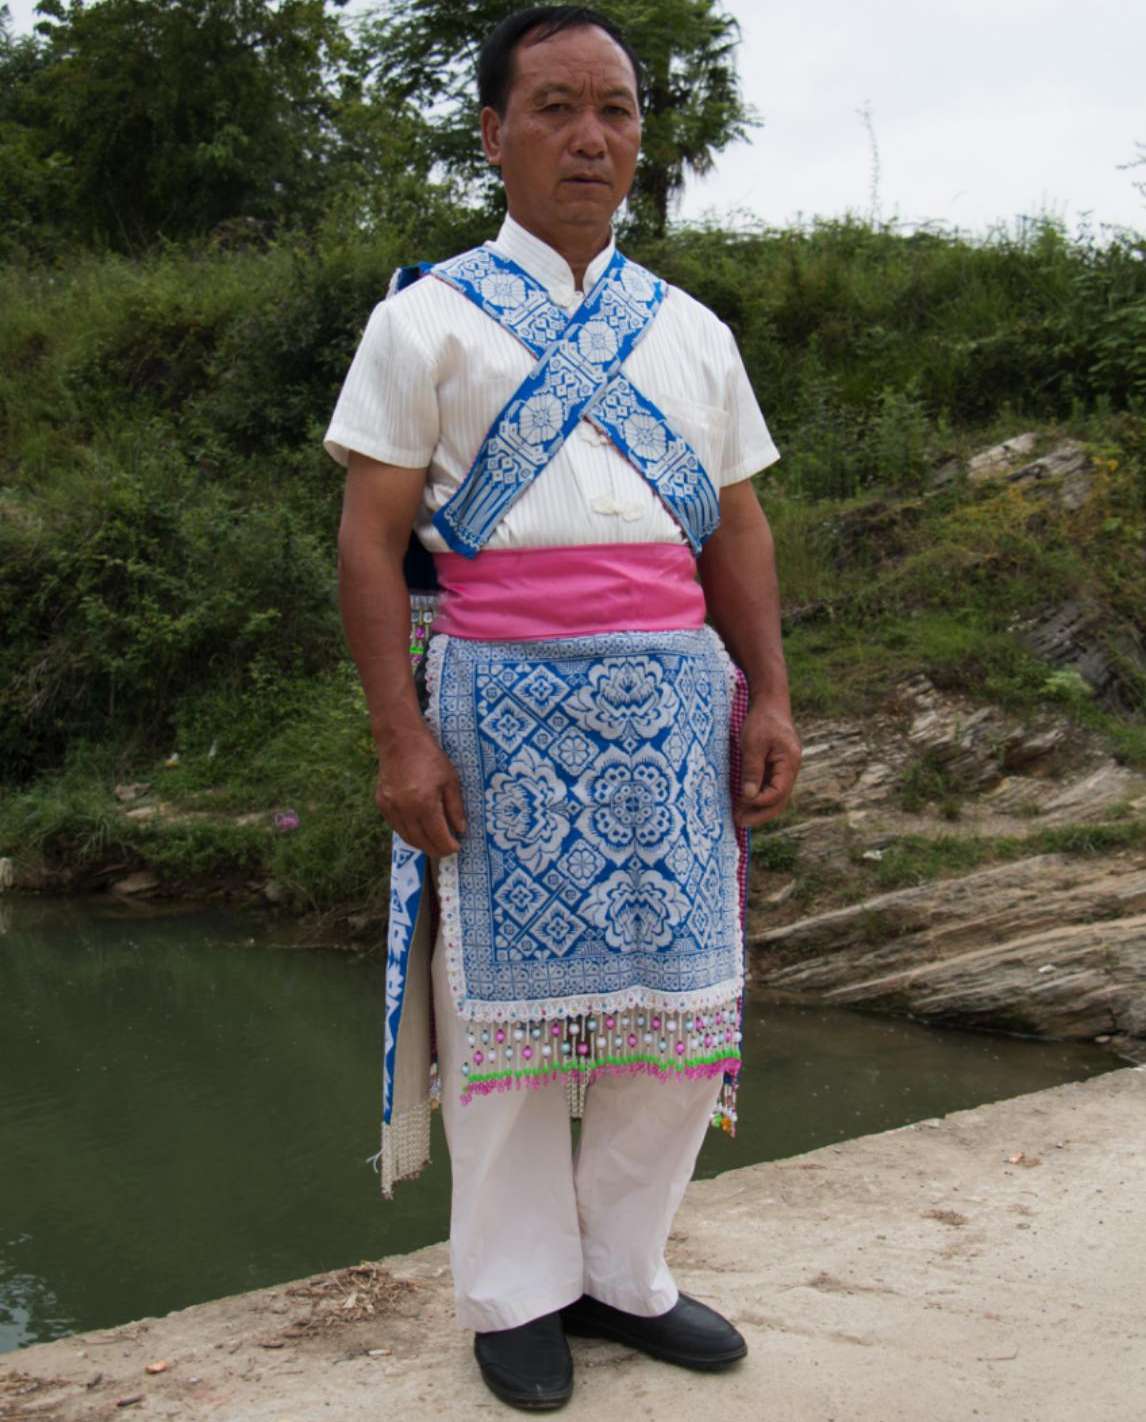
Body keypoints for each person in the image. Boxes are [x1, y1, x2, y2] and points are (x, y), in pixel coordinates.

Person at [326, 6, 801, 1410]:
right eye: (553, 108)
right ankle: (515, 1294)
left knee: (683, 1008)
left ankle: (623, 1273)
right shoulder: (424, 320)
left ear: (640, 136)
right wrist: (398, 735)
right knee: (503, 1026)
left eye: (614, 110)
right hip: (495, 706)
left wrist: (770, 693)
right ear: (494, 134)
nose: (589, 137)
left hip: (676, 708)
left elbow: (736, 527)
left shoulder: (692, 332)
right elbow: (368, 542)